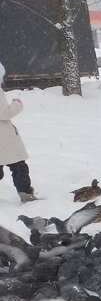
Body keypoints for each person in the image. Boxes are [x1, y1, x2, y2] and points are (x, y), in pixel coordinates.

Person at [0, 62, 37, 202]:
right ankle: (26, 195)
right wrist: (17, 105)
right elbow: (3, 114)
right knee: (18, 166)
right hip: (2, 137)